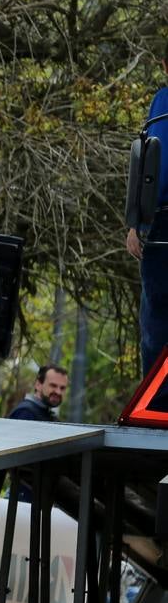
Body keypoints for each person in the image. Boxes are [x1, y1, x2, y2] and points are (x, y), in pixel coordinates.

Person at [130, 48, 168, 374]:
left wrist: (137, 223)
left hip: (166, 226)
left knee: (157, 322)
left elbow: (155, 167)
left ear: (164, 64)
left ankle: (156, 412)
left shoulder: (165, 101)